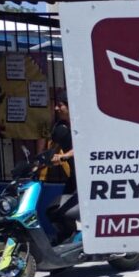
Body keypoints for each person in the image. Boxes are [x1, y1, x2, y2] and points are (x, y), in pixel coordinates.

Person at [49, 93, 80, 238]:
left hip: (87, 176)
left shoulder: (82, 123)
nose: (56, 108)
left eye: (60, 105)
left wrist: (65, 155)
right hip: (74, 176)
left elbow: (84, 145)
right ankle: (68, 238)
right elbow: (54, 148)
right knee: (57, 210)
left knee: (71, 209)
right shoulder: (60, 127)